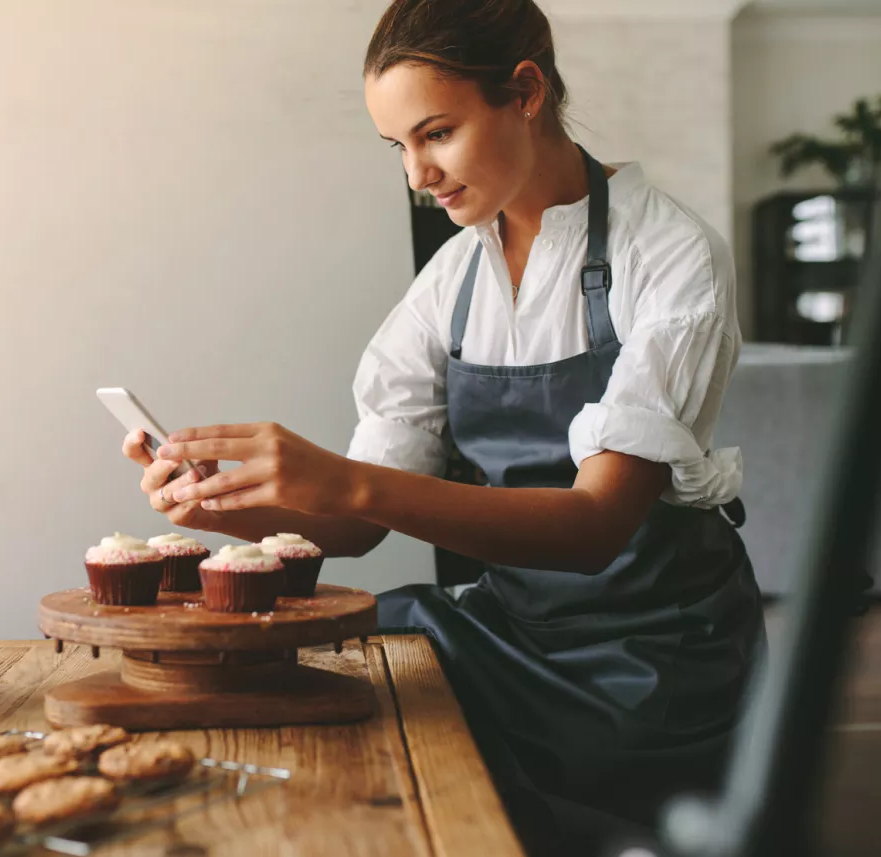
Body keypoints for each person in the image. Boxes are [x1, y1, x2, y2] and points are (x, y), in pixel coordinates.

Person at [121, 0, 763, 851]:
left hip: (651, 659)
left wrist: (340, 476)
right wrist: (225, 507)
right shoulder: (452, 281)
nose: (417, 174)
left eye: (436, 134)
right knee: (324, 669)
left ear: (525, 91)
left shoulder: (673, 256)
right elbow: (352, 527)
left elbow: (595, 526)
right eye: (399, 147)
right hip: (512, 625)